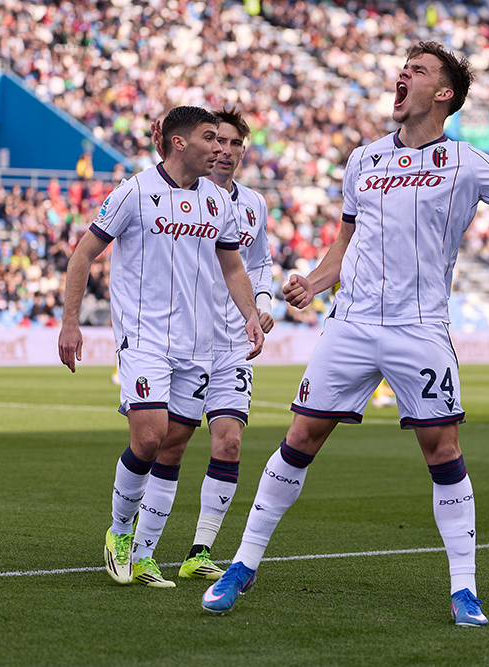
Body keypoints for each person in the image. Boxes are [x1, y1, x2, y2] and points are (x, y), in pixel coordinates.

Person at [200, 40, 489, 627]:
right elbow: (345, 244)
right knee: (300, 437)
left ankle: (464, 589)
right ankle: (242, 565)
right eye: (404, 68)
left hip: (419, 328)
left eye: (417, 70)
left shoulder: (466, 162)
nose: (403, 75)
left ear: (442, 94)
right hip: (350, 324)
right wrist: (314, 282)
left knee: (442, 450)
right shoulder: (364, 160)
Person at [57, 106, 265, 588]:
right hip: (144, 340)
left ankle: (145, 555)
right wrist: (70, 322)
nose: (219, 147)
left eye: (223, 140)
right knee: (149, 438)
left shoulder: (219, 201)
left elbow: (233, 266)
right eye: (210, 138)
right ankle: (119, 532)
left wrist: (251, 314)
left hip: (199, 346)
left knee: (173, 445)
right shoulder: (134, 192)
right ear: (179, 142)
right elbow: (83, 254)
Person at [146, 108, 276, 582]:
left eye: (235, 143)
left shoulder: (254, 204)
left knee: (230, 441)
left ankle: (199, 551)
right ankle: (139, 543)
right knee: (171, 443)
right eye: (217, 140)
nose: (225, 150)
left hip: (234, 341)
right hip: (187, 339)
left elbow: (258, 263)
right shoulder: (181, 197)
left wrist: (261, 304)